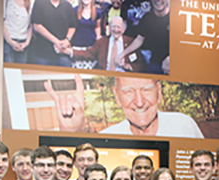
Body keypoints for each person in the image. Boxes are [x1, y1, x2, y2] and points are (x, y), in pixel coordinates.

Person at [44, 75, 204, 138]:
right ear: (117, 96)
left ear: (159, 91)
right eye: (128, 92)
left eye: (146, 90)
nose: (139, 102)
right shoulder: (108, 137)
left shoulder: (185, 125)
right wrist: (72, 133)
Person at [67, 16, 146, 71]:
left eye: (118, 27)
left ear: (123, 29)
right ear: (109, 28)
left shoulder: (130, 43)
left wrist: (129, 67)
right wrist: (69, 51)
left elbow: (142, 64)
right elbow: (88, 53)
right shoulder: (102, 42)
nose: (116, 29)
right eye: (113, 26)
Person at [117, 0, 170, 74]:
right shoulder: (147, 18)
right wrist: (122, 54)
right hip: (155, 61)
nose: (159, 1)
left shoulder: (176, 17)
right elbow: (140, 39)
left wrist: (170, 58)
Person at [28, 0, 77, 67]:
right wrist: (56, 41)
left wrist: (67, 40)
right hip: (44, 53)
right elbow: (37, 26)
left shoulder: (67, 5)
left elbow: (72, 26)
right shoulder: (39, 3)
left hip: (63, 52)